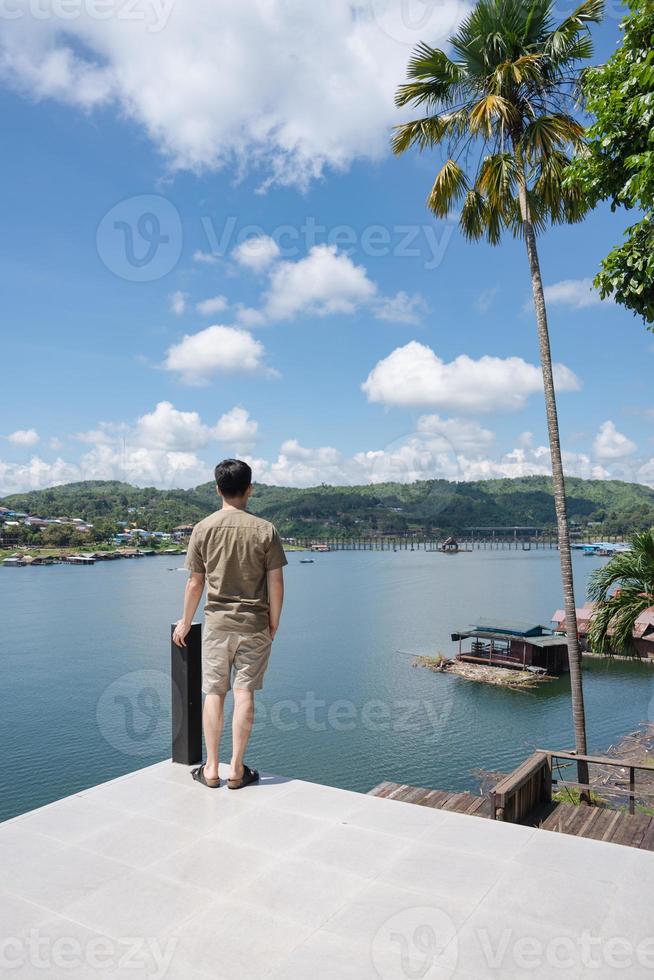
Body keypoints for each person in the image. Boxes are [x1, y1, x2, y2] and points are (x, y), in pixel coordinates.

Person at [172, 459, 287, 790]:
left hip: (216, 626)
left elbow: (196, 583)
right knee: (244, 691)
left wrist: (185, 622)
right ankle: (236, 769)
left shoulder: (203, 528)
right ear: (249, 489)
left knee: (214, 692)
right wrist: (273, 623)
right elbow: (276, 583)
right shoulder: (266, 530)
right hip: (255, 625)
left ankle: (210, 768)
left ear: (217, 489)